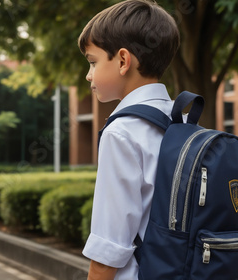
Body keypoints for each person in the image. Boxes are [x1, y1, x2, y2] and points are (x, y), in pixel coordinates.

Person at [78, 0, 180, 279]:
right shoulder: (182, 121)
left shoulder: (121, 132)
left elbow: (108, 249)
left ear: (123, 60)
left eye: (93, 62)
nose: (89, 75)